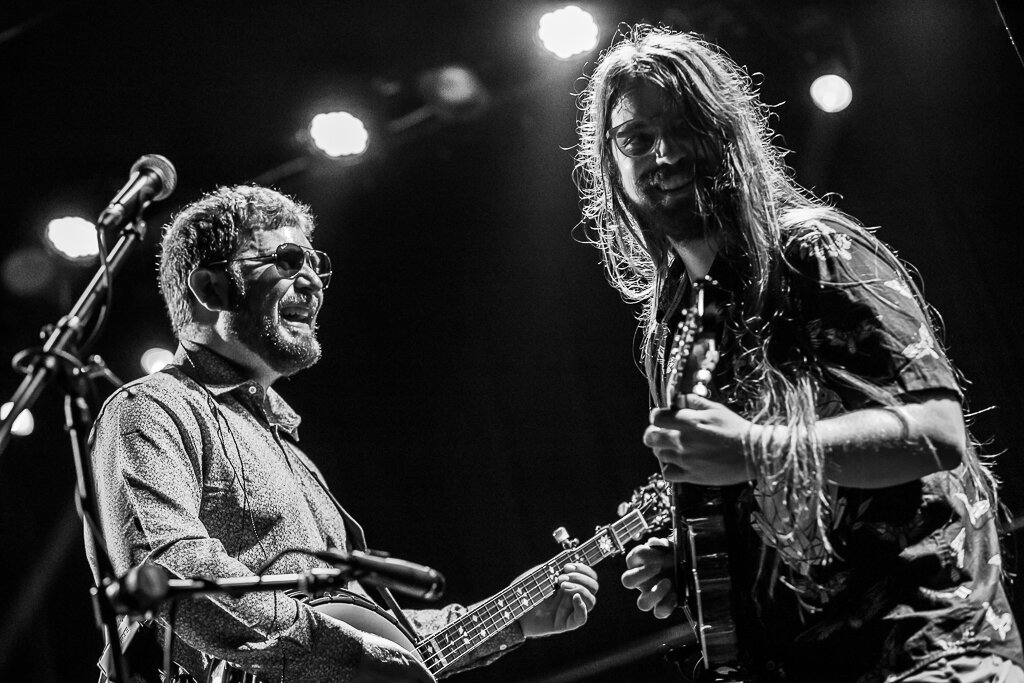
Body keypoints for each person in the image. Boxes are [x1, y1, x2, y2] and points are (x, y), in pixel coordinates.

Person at [573, 24, 1023, 683]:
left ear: (725, 131)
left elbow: (935, 433)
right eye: (635, 139)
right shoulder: (673, 327)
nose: (662, 153)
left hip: (929, 653)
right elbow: (758, 499)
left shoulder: (809, 251)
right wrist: (696, 557)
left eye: (684, 126)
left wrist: (754, 449)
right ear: (611, 163)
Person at [86, 184, 598, 682]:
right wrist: (349, 654)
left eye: (316, 265)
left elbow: (384, 642)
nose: (312, 281)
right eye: (287, 261)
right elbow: (174, 574)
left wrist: (514, 618)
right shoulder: (150, 410)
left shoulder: (286, 446)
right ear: (211, 288)